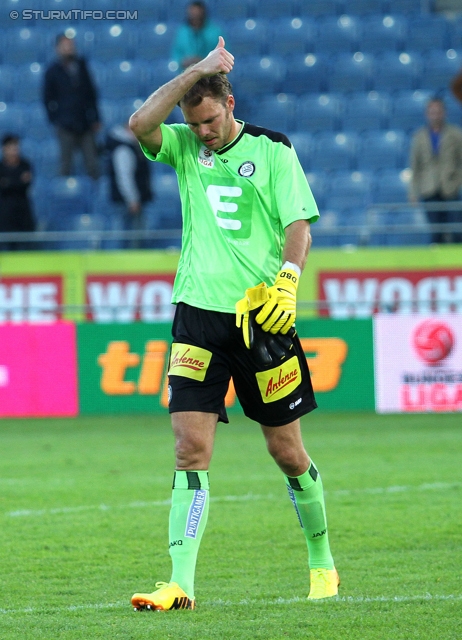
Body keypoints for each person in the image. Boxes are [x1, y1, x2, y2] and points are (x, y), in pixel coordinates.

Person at [128, 37, 339, 611]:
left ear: (230, 103)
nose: (204, 133)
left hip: (261, 319)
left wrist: (289, 280)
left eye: (211, 121)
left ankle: (322, 561)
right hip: (197, 317)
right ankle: (181, 584)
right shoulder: (180, 146)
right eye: (194, 124)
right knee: (189, 449)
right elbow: (139, 121)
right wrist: (194, 70)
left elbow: (299, 222)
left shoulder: (273, 149)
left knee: (287, 451)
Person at [43, 34, 101, 180]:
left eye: (71, 45)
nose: (69, 49)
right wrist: (55, 119)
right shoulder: (52, 71)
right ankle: (65, 198)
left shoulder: (82, 65)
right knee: (66, 165)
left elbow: (91, 93)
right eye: (65, 46)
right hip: (65, 124)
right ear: (58, 48)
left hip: (85, 123)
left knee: (92, 164)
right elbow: (47, 99)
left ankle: (93, 197)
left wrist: (96, 117)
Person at [409, 97, 462, 244]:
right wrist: (413, 191)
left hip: (450, 187)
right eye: (432, 111)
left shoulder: (456, 134)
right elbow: (415, 166)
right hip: (429, 188)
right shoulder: (419, 137)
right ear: (427, 114)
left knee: (457, 230)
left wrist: (457, 180)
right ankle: (439, 265)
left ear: (444, 113)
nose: (435, 114)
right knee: (436, 232)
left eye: (438, 111)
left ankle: (456, 264)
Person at [106, 121, 153, 249]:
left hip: (128, 201)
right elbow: (124, 177)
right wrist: (132, 199)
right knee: (126, 238)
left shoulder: (128, 146)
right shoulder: (124, 149)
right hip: (126, 203)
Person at [0, 134, 35, 251]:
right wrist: (18, 181)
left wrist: (8, 182)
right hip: (4, 214)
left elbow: (26, 184)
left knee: (25, 248)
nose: (14, 150)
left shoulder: (25, 164)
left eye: (16, 146)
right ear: (4, 148)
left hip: (23, 213)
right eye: (11, 147)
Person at [171, 1, 223, 71]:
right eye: (192, 15)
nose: (195, 18)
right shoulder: (182, 32)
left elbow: (222, 56)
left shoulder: (215, 32)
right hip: (186, 74)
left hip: (210, 75)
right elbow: (176, 56)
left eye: (198, 15)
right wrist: (185, 62)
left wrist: (203, 61)